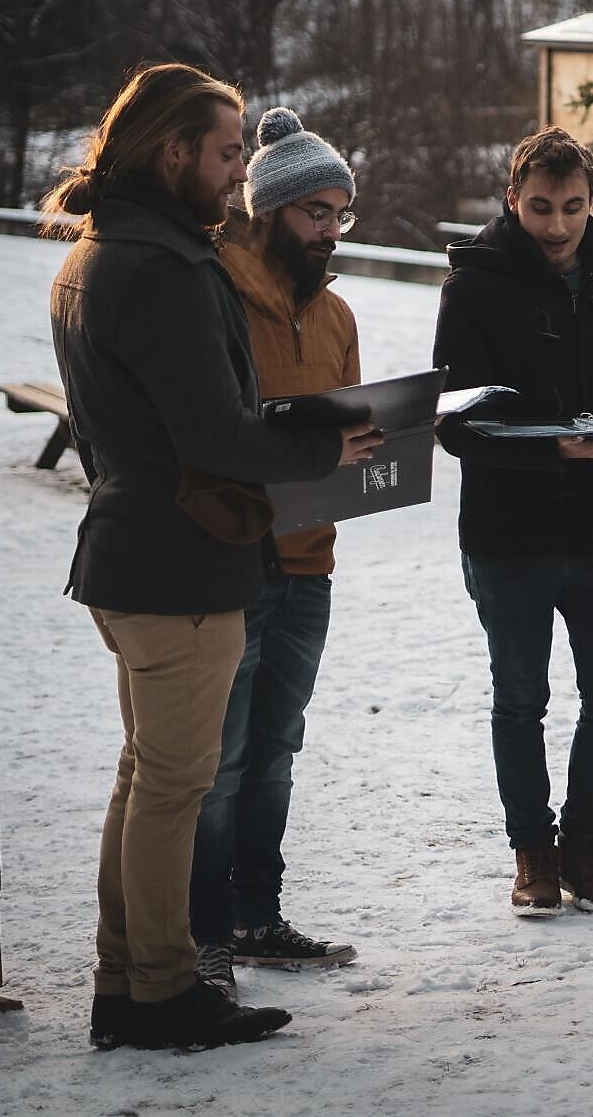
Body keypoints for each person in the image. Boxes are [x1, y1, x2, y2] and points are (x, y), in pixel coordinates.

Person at [46, 64, 382, 1051]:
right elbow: (218, 437)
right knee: (174, 788)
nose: (240, 173)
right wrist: (324, 451)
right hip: (179, 565)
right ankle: (158, 990)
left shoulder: (103, 250)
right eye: (229, 152)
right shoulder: (165, 266)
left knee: (145, 779)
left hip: (129, 549)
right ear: (172, 152)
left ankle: (127, 979)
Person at [433, 126, 593, 917]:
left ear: (591, 200)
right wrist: (551, 455)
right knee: (521, 702)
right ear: (512, 199)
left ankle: (583, 843)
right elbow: (453, 424)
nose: (558, 225)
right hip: (510, 533)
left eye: (573, 207)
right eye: (540, 207)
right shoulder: (471, 288)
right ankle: (532, 851)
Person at [188, 108, 362, 1002]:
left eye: (343, 214)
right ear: (270, 210)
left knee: (276, 751)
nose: (332, 231)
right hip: (231, 563)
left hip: (310, 565)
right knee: (217, 759)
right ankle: (206, 935)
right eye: (317, 213)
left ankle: (261, 916)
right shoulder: (216, 292)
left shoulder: (336, 313)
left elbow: (342, 427)